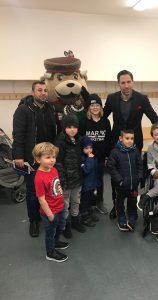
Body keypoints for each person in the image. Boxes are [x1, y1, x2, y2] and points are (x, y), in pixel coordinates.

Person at [103, 70, 158, 218]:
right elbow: (102, 117)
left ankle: (131, 206)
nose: (126, 85)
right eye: (123, 82)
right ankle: (116, 206)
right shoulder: (111, 98)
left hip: (135, 144)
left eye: (128, 82)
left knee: (133, 174)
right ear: (119, 84)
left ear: (133, 82)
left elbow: (154, 117)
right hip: (116, 143)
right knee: (115, 176)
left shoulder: (141, 99)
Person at [12, 81, 57, 237]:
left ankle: (47, 215)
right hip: (32, 160)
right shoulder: (23, 110)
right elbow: (18, 135)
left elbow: (54, 131)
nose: (43, 93)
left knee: (49, 190)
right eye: (39, 90)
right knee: (33, 192)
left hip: (48, 158)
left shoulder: (50, 108)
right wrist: (18, 155)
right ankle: (34, 220)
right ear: (33, 92)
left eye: (45, 90)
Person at [32, 142, 69, 263]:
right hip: (50, 212)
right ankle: (50, 252)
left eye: (53, 157)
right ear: (38, 159)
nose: (52, 160)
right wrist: (49, 214)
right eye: (48, 157)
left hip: (60, 206)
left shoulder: (53, 169)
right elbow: (41, 199)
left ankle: (56, 242)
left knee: (60, 227)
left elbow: (57, 184)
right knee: (50, 232)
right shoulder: (39, 178)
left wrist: (62, 195)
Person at [79, 93, 111, 214]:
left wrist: (107, 155)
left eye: (97, 105)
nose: (95, 107)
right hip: (88, 158)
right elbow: (80, 140)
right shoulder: (83, 122)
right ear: (88, 107)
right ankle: (88, 203)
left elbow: (108, 139)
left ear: (101, 107)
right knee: (88, 181)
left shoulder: (106, 122)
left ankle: (99, 202)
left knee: (99, 180)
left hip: (101, 157)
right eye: (92, 105)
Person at [55, 114, 86, 236]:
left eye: (74, 127)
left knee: (76, 201)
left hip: (77, 179)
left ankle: (75, 221)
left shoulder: (79, 140)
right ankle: (65, 225)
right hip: (65, 181)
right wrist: (62, 181)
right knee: (65, 204)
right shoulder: (60, 141)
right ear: (64, 128)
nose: (72, 129)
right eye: (69, 127)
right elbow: (57, 163)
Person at [107, 129, 143, 231]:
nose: (130, 141)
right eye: (127, 138)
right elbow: (111, 168)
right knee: (120, 204)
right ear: (121, 138)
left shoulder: (135, 151)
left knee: (132, 202)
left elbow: (140, 165)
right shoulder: (115, 152)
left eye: (132, 138)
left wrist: (139, 177)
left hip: (134, 185)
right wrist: (120, 180)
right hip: (121, 186)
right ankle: (121, 219)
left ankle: (132, 218)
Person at [79, 136, 101, 226]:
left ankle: (89, 214)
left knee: (91, 200)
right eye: (86, 148)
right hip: (86, 185)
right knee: (84, 201)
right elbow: (87, 170)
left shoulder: (91, 157)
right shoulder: (83, 159)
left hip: (92, 184)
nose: (89, 150)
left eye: (91, 147)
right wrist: (90, 159)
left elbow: (95, 170)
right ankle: (84, 217)